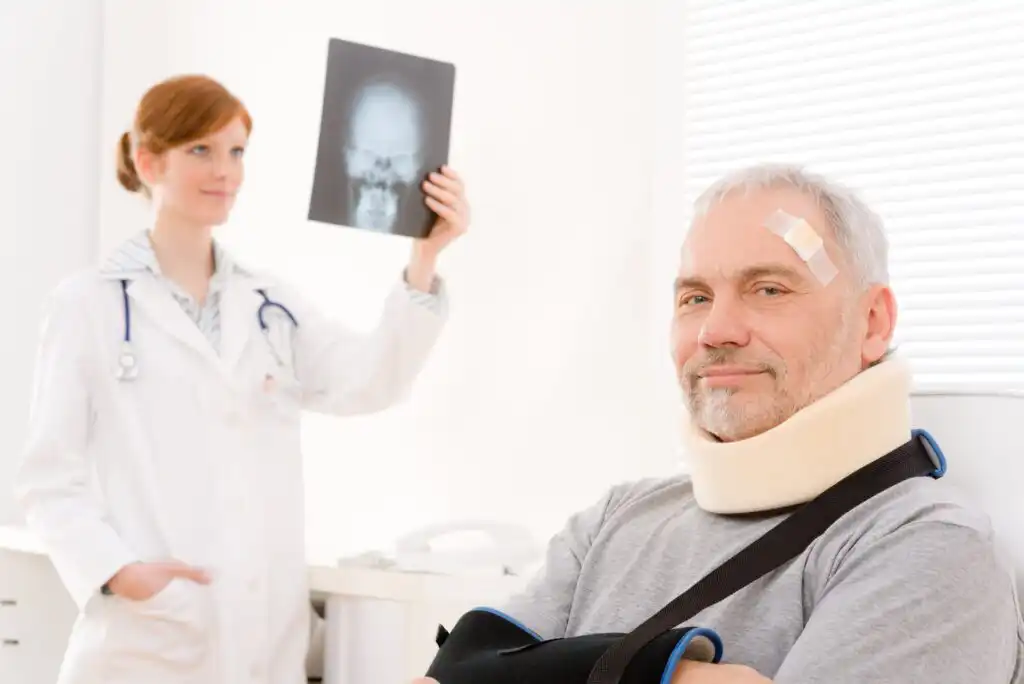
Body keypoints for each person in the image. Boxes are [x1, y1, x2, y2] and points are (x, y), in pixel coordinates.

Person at [417, 165, 1023, 684]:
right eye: (696, 297)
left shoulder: (925, 549)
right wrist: (670, 672)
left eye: (767, 289)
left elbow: (479, 670)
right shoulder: (614, 521)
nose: (716, 330)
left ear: (872, 322)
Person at [14, 73, 470, 684]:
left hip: (259, 644)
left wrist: (424, 259)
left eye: (236, 151)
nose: (224, 170)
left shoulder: (268, 305)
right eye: (200, 150)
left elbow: (368, 382)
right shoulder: (88, 306)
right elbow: (49, 479)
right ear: (148, 161)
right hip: (144, 644)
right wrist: (119, 572)